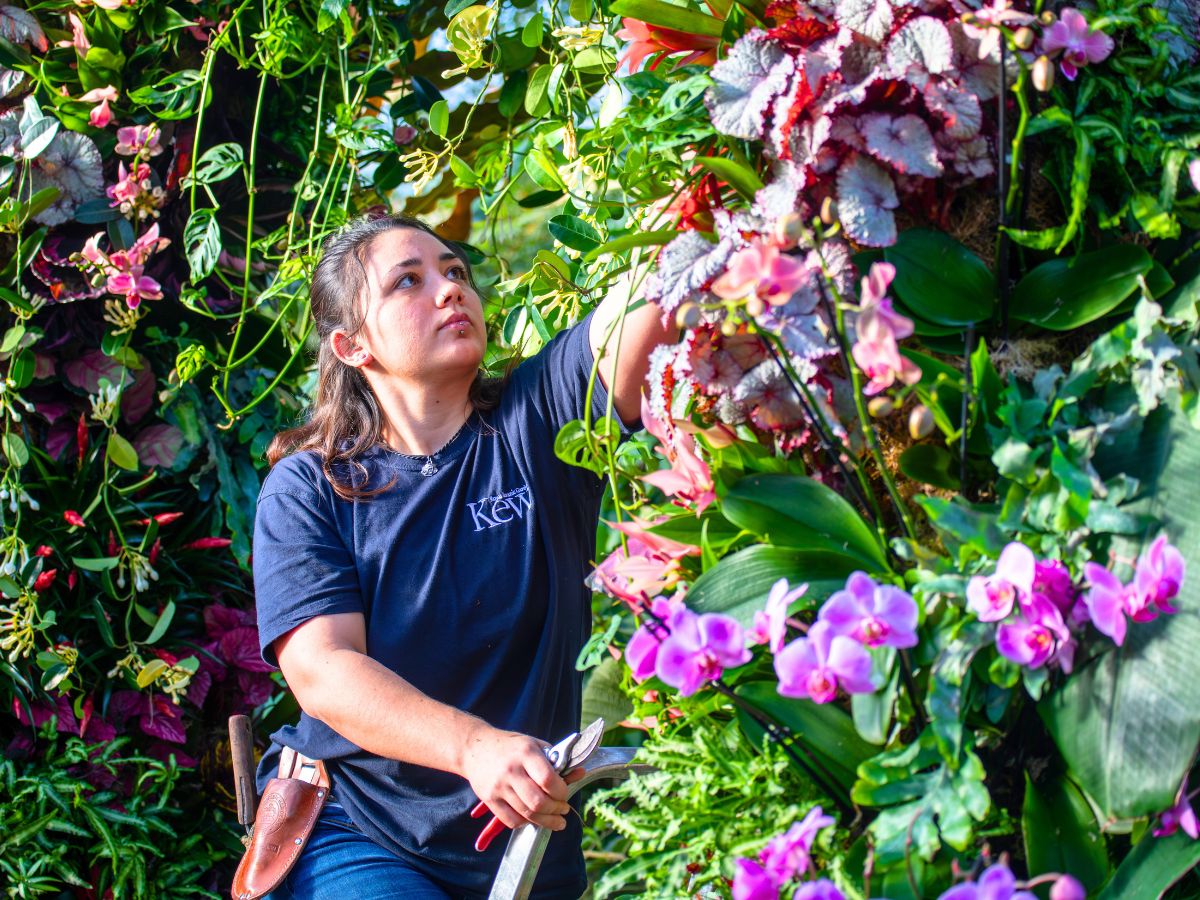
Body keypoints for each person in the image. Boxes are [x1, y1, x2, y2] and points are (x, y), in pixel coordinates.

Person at [251, 213, 672, 899]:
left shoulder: (534, 423)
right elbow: (325, 672)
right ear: (352, 346)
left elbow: (650, 303)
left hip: (530, 841)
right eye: (407, 282)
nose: (449, 291)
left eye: (455, 273)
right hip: (359, 830)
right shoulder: (311, 487)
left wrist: (700, 199)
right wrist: (474, 747)